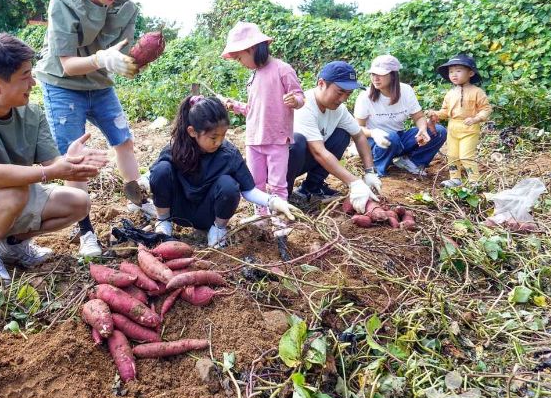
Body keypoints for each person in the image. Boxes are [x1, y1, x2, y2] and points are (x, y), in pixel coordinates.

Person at [0, 34, 109, 285]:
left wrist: (70, 161)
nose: (33, 83)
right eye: (25, 76)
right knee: (13, 190)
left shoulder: (31, 113)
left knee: (78, 202)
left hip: (9, 199)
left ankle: (12, 245)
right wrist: (48, 173)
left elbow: (53, 164)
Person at [34, 0, 154, 257]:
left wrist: (133, 61)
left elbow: (123, 57)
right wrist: (101, 58)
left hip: (99, 86)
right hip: (62, 84)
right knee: (76, 158)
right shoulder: (64, 2)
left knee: (124, 141)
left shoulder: (126, 9)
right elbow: (68, 64)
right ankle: (84, 230)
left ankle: (140, 203)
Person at [149, 95, 298, 248]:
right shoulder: (176, 149)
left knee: (229, 185)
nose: (219, 142)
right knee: (161, 170)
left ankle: (218, 228)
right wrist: (141, 184)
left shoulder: (228, 154)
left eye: (223, 135)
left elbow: (248, 190)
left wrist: (274, 202)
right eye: (213, 137)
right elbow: (156, 176)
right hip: (177, 210)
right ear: (192, 132)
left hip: (208, 213)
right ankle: (163, 221)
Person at [220, 21, 304, 237]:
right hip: (253, 139)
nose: (240, 62)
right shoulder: (253, 75)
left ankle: (279, 219)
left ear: (252, 48)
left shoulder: (283, 69)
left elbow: (300, 96)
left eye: (240, 57)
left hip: (276, 138)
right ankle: (261, 215)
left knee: (277, 183)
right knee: (255, 182)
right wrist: (234, 105)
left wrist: (294, 100)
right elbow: (253, 109)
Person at [286, 61, 382, 214]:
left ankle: (311, 188)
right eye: (339, 92)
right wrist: (354, 182)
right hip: (280, 164)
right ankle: (283, 195)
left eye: (348, 94)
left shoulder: (339, 110)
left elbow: (359, 136)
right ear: (321, 83)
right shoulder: (304, 105)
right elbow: (319, 152)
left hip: (307, 157)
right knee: (297, 141)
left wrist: (370, 171)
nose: (343, 99)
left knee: (343, 134)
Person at [353, 54, 447, 176]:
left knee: (439, 131)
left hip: (399, 138)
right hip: (375, 142)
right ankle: (378, 167)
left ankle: (412, 162)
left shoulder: (406, 91)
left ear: (393, 75)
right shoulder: (365, 97)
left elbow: (418, 116)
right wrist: (374, 133)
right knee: (390, 137)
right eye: (373, 74)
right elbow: (357, 128)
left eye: (380, 74)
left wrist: (423, 129)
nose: (375, 78)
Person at [429, 53, 492, 188]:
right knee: (452, 155)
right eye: (451, 72)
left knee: (466, 156)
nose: (454, 75)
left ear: (470, 73)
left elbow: (486, 109)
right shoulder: (450, 93)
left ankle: (474, 181)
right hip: (453, 127)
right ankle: (455, 178)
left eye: (458, 71)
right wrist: (435, 114)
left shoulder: (477, 92)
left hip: (469, 128)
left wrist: (477, 118)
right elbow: (445, 112)